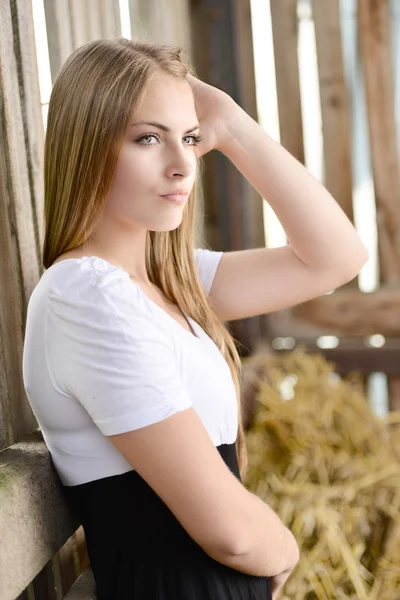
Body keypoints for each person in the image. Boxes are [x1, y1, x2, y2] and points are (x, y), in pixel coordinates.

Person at [22, 38, 368, 600]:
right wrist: (283, 547)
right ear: (87, 146)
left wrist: (231, 125)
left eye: (189, 138)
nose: (183, 164)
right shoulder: (87, 296)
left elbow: (337, 257)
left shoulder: (170, 282)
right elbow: (230, 533)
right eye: (148, 138)